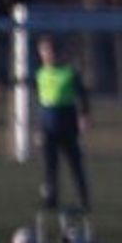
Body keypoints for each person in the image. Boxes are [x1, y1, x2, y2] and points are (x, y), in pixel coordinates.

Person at [31, 36, 91, 214]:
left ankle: (83, 199)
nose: (48, 54)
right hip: (47, 124)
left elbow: (82, 94)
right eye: (44, 51)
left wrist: (84, 114)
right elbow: (24, 84)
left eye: (50, 51)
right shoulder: (40, 73)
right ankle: (51, 199)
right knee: (50, 165)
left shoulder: (69, 72)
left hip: (67, 121)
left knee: (74, 163)